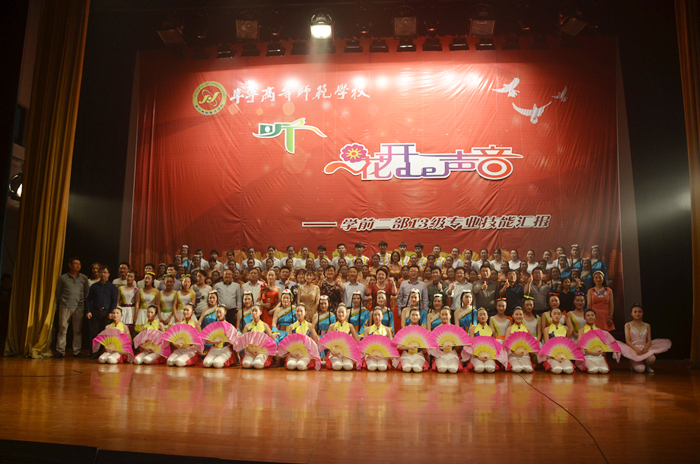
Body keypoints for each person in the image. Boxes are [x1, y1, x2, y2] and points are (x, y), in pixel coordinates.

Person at [54, 257, 90, 358]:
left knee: (77, 330)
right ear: (70, 265)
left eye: (79, 264)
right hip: (65, 306)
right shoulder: (63, 278)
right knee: (62, 329)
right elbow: (58, 293)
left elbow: (86, 292)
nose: (78, 266)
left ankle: (77, 351)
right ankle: (60, 351)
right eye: (75, 264)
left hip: (79, 307)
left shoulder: (83, 278)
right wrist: (63, 302)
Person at [621, 303, 671, 373]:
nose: (637, 314)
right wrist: (636, 349)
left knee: (652, 359)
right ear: (631, 313)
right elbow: (628, 341)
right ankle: (633, 363)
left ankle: (646, 364)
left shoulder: (647, 325)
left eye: (640, 312)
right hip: (634, 348)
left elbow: (649, 340)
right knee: (640, 370)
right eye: (635, 312)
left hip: (644, 347)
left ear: (642, 313)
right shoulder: (628, 325)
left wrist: (646, 348)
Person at [86, 266, 119, 359]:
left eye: (105, 272)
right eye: (101, 272)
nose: (103, 274)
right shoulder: (94, 286)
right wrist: (88, 311)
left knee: (105, 333)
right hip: (95, 311)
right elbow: (88, 299)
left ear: (109, 274)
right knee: (94, 333)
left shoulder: (112, 287)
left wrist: (111, 312)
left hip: (106, 312)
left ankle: (104, 351)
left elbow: (114, 301)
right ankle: (94, 352)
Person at [284, 304, 320, 371]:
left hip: (306, 353)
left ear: (305, 313)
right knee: (290, 366)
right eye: (297, 311)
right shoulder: (291, 326)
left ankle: (306, 365)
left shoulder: (310, 325)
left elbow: (315, 340)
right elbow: (288, 342)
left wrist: (309, 350)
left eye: (301, 311)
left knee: (300, 366)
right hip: (294, 352)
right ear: (295, 312)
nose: (299, 313)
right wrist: (292, 353)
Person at [397, 307, 430, 373]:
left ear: (419, 317)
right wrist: (408, 347)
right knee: (407, 369)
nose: (415, 317)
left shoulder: (422, 331)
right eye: (413, 315)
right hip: (406, 354)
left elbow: (427, 346)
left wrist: (423, 349)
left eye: (416, 315)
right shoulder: (404, 330)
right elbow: (398, 346)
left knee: (416, 369)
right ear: (409, 316)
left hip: (418, 354)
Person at [577, 308, 610, 374]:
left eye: (592, 315)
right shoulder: (581, 330)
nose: (590, 317)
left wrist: (601, 351)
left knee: (604, 370)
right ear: (584, 318)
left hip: (598, 355)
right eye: (588, 315)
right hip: (587, 355)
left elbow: (603, 344)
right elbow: (579, 345)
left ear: (595, 317)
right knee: (594, 370)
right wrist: (592, 352)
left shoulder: (599, 330)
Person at [542, 307, 573, 374]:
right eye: (554, 314)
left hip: (563, 355)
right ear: (550, 315)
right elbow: (547, 346)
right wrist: (555, 357)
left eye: (559, 314)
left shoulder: (566, 328)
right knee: (557, 370)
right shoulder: (547, 329)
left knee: (569, 370)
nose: (557, 316)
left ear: (561, 316)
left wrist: (565, 356)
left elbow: (568, 344)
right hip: (552, 356)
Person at [504, 307, 534, 373]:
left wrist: (527, 351)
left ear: (523, 316)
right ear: (513, 316)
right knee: (517, 369)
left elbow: (532, 343)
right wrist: (515, 352)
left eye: (520, 314)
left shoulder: (527, 329)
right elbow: (506, 343)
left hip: (524, 354)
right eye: (516, 314)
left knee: (528, 369)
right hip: (513, 354)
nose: (518, 316)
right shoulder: (509, 329)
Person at [363, 307, 393, 372]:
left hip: (383, 355)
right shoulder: (367, 330)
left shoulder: (387, 329)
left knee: (382, 368)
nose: (377, 317)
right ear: (372, 316)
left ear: (382, 316)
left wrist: (384, 354)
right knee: (371, 368)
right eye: (375, 315)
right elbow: (365, 345)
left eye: (379, 315)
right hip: (371, 355)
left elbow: (391, 345)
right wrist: (370, 354)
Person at [468, 308, 497, 373]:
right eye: (480, 315)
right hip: (476, 356)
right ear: (477, 317)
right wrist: (478, 356)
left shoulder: (492, 330)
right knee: (479, 369)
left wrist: (489, 356)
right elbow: (471, 345)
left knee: (490, 369)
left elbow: (494, 346)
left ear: (487, 316)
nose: (483, 316)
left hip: (489, 356)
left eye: (484, 314)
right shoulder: (473, 329)